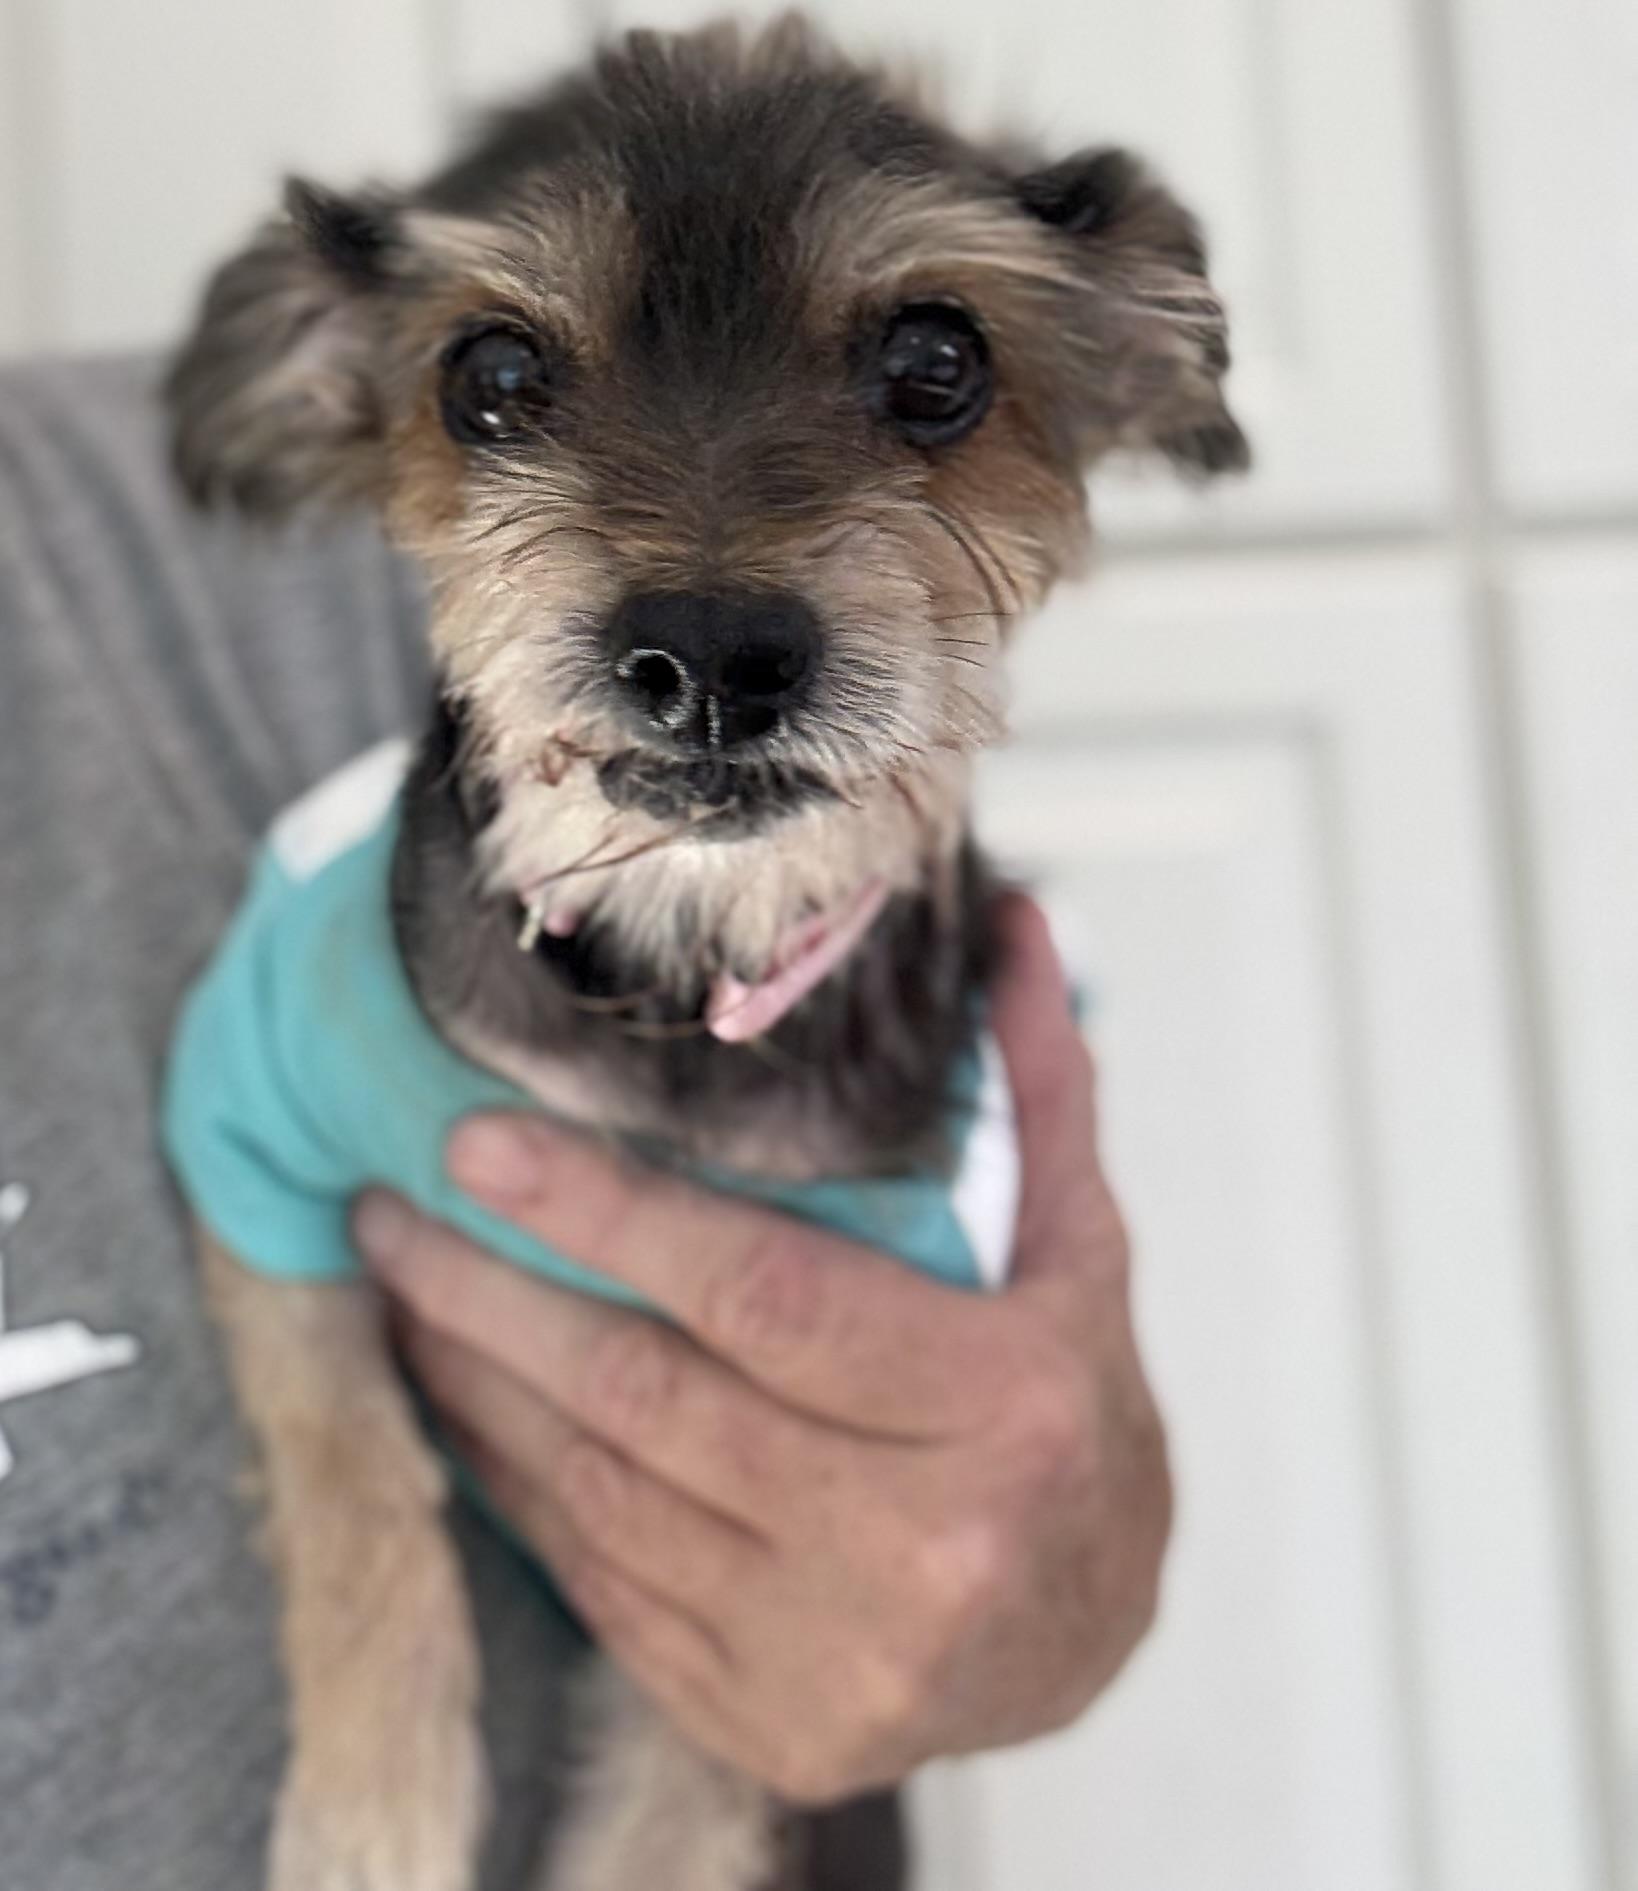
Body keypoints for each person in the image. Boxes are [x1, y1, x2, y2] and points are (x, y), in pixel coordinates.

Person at [0, 357, 1169, 1889]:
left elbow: (989, 1516)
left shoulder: (254, 487)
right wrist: (374, 1646)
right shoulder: (317, 963)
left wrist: (1041, 1563)